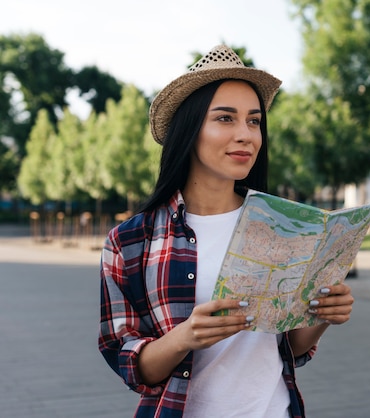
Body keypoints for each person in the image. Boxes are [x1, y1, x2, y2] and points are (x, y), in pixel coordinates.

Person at [98, 44, 355, 418]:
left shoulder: (284, 227)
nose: (246, 135)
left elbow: (290, 349)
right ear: (188, 130)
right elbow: (132, 367)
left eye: (254, 121)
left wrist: (321, 314)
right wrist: (185, 337)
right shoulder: (130, 242)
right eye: (224, 119)